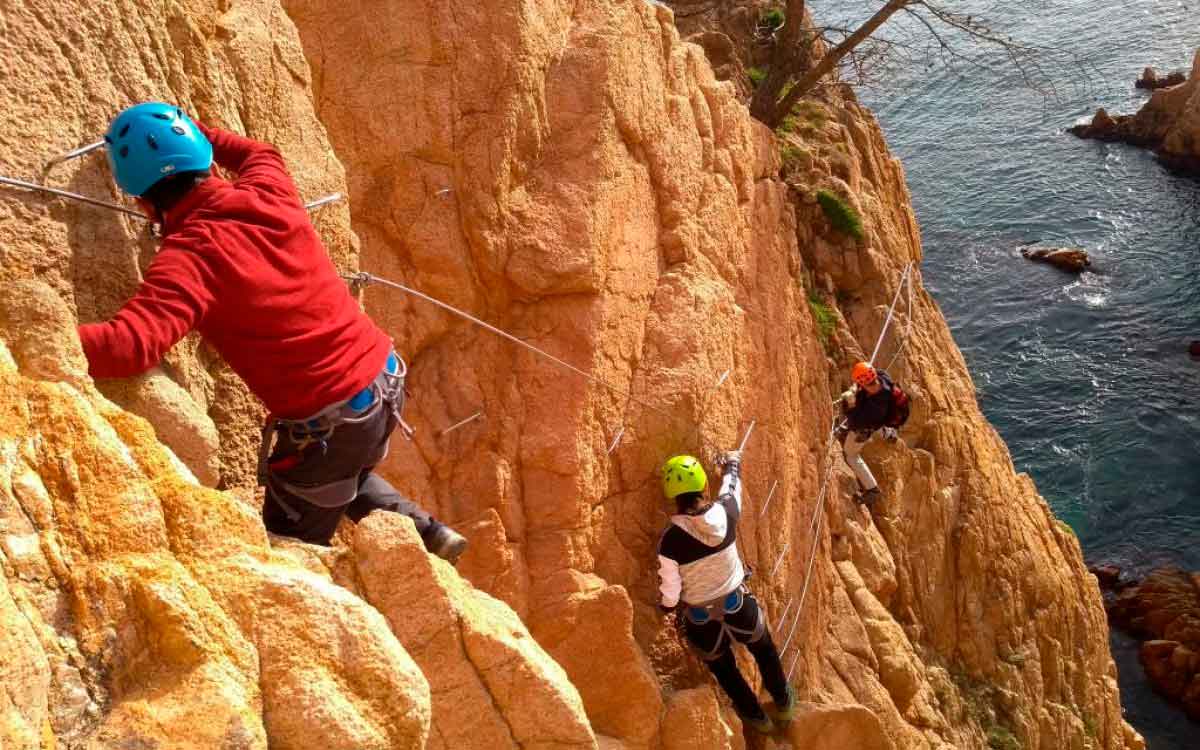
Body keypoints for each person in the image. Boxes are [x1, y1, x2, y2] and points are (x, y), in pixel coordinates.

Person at [77, 102, 467, 561]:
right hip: (383, 381)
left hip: (335, 420)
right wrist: (190, 132)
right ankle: (429, 533)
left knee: (290, 550)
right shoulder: (268, 190)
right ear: (203, 159)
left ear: (143, 202)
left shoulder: (189, 258)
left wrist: (37, 333)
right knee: (338, 470)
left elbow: (128, 347)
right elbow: (258, 152)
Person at [656, 452, 796, 733]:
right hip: (738, 606)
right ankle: (783, 704)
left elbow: (671, 593)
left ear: (672, 495)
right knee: (764, 651)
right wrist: (732, 463)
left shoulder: (669, 541)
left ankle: (758, 720)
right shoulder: (726, 511)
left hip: (701, 620)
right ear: (702, 485)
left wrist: (666, 609)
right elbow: (732, 485)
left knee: (726, 672)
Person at [837, 361, 903, 506]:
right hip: (881, 417)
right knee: (877, 422)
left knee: (851, 455)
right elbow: (873, 374)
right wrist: (856, 388)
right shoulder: (882, 377)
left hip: (866, 426)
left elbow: (855, 421)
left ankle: (872, 489)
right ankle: (887, 431)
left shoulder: (873, 409)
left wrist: (851, 403)